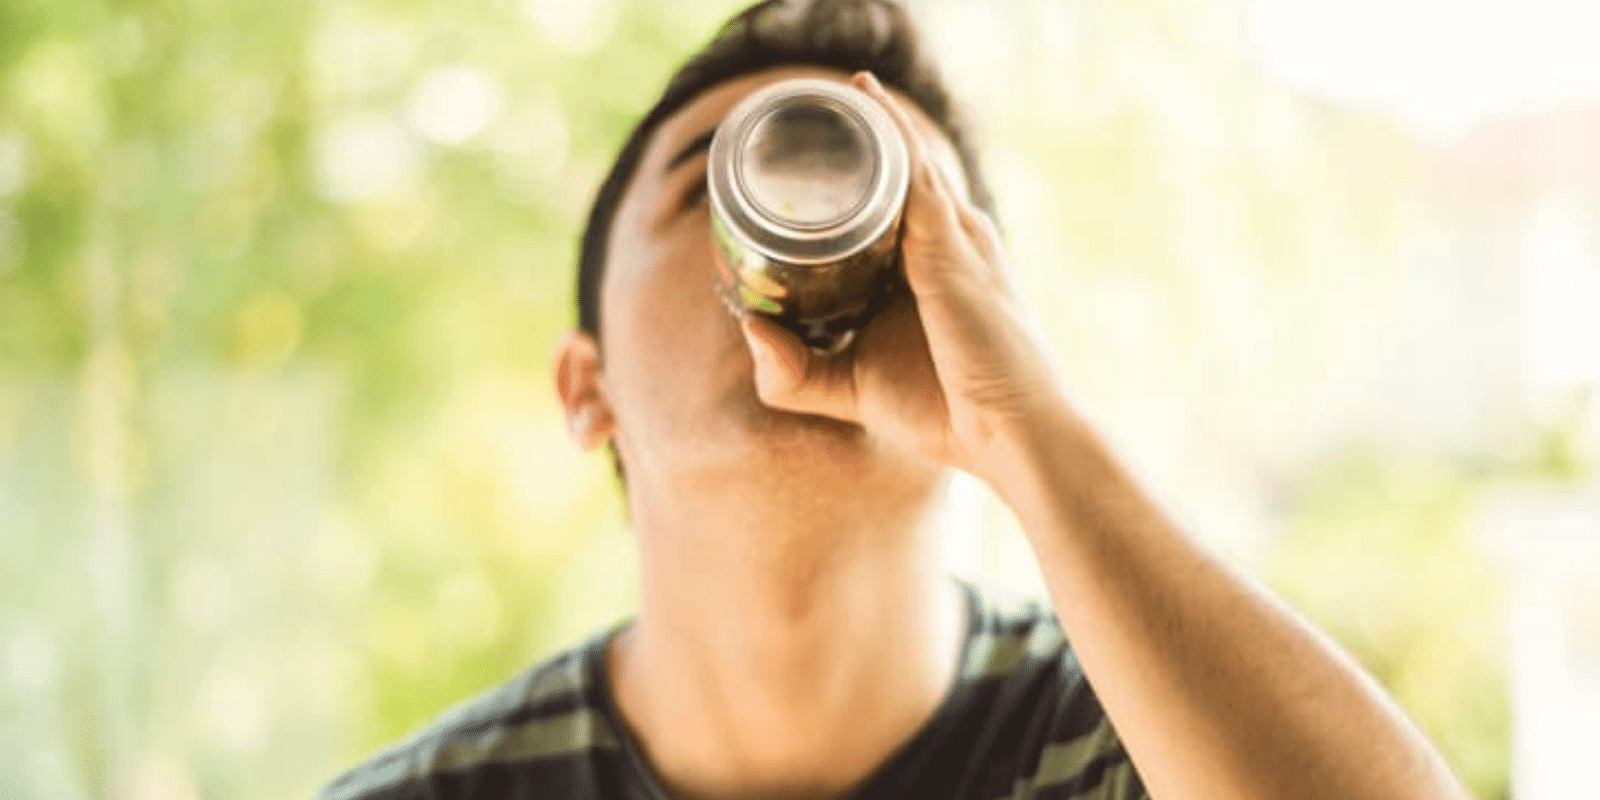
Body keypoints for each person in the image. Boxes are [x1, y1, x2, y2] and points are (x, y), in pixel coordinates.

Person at [319, 1, 1472, 798]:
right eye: (712, 184)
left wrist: (1028, 431)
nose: (807, 216)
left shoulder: (1175, 746)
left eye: (901, 198)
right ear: (588, 386)